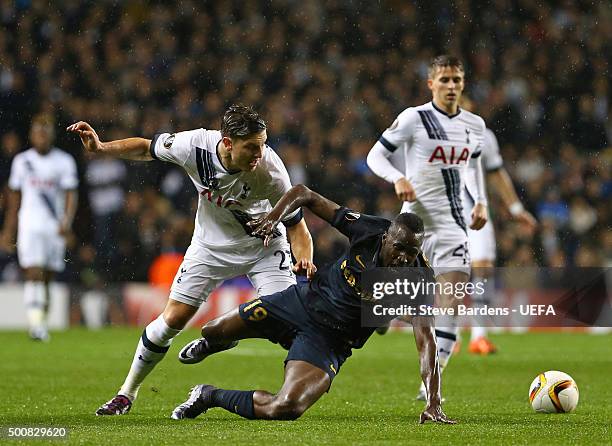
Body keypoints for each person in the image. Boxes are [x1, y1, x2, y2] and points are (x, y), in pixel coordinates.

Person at [67, 105, 315, 416]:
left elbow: (298, 227)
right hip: (209, 246)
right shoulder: (193, 146)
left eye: (263, 143)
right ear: (227, 143)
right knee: (169, 324)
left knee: (286, 319)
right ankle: (126, 394)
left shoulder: (272, 171)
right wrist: (102, 148)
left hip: (263, 248)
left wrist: (304, 262)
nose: (259, 152)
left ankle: (220, 338)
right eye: (251, 146)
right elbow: (146, 148)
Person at [172, 184, 455, 424]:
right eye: (400, 248)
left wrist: (433, 401)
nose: (405, 258)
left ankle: (208, 395)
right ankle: (220, 341)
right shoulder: (368, 229)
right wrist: (273, 217)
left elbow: (426, 340)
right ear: (385, 239)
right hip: (301, 302)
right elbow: (303, 194)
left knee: (286, 407)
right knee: (212, 330)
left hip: (331, 340)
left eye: (412, 252)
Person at [366, 55, 488, 401]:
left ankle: (430, 384)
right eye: (445, 80)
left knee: (450, 305)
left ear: (463, 84)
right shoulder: (413, 118)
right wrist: (397, 177)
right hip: (412, 230)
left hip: (452, 226)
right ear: (431, 83)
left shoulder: (474, 125)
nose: (451, 86)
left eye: (457, 80)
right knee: (394, 307)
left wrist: (480, 201)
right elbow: (375, 156)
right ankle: (390, 308)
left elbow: (473, 167)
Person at [460, 98, 538, 355]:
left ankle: (479, 336)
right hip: (440, 212)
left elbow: (495, 173)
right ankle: (447, 334)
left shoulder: (485, 135)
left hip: (476, 213)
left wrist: (516, 209)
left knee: (482, 269)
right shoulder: (429, 132)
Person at [1, 113, 79, 341]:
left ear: (51, 135)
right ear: (32, 135)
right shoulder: (22, 161)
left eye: (45, 132)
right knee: (33, 272)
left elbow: (70, 195)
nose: (42, 136)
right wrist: (8, 229)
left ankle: (40, 321)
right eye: (38, 131)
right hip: (29, 225)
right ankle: (36, 326)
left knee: (47, 277)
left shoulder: (64, 161)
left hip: (54, 228)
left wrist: (66, 223)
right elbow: (15, 199)